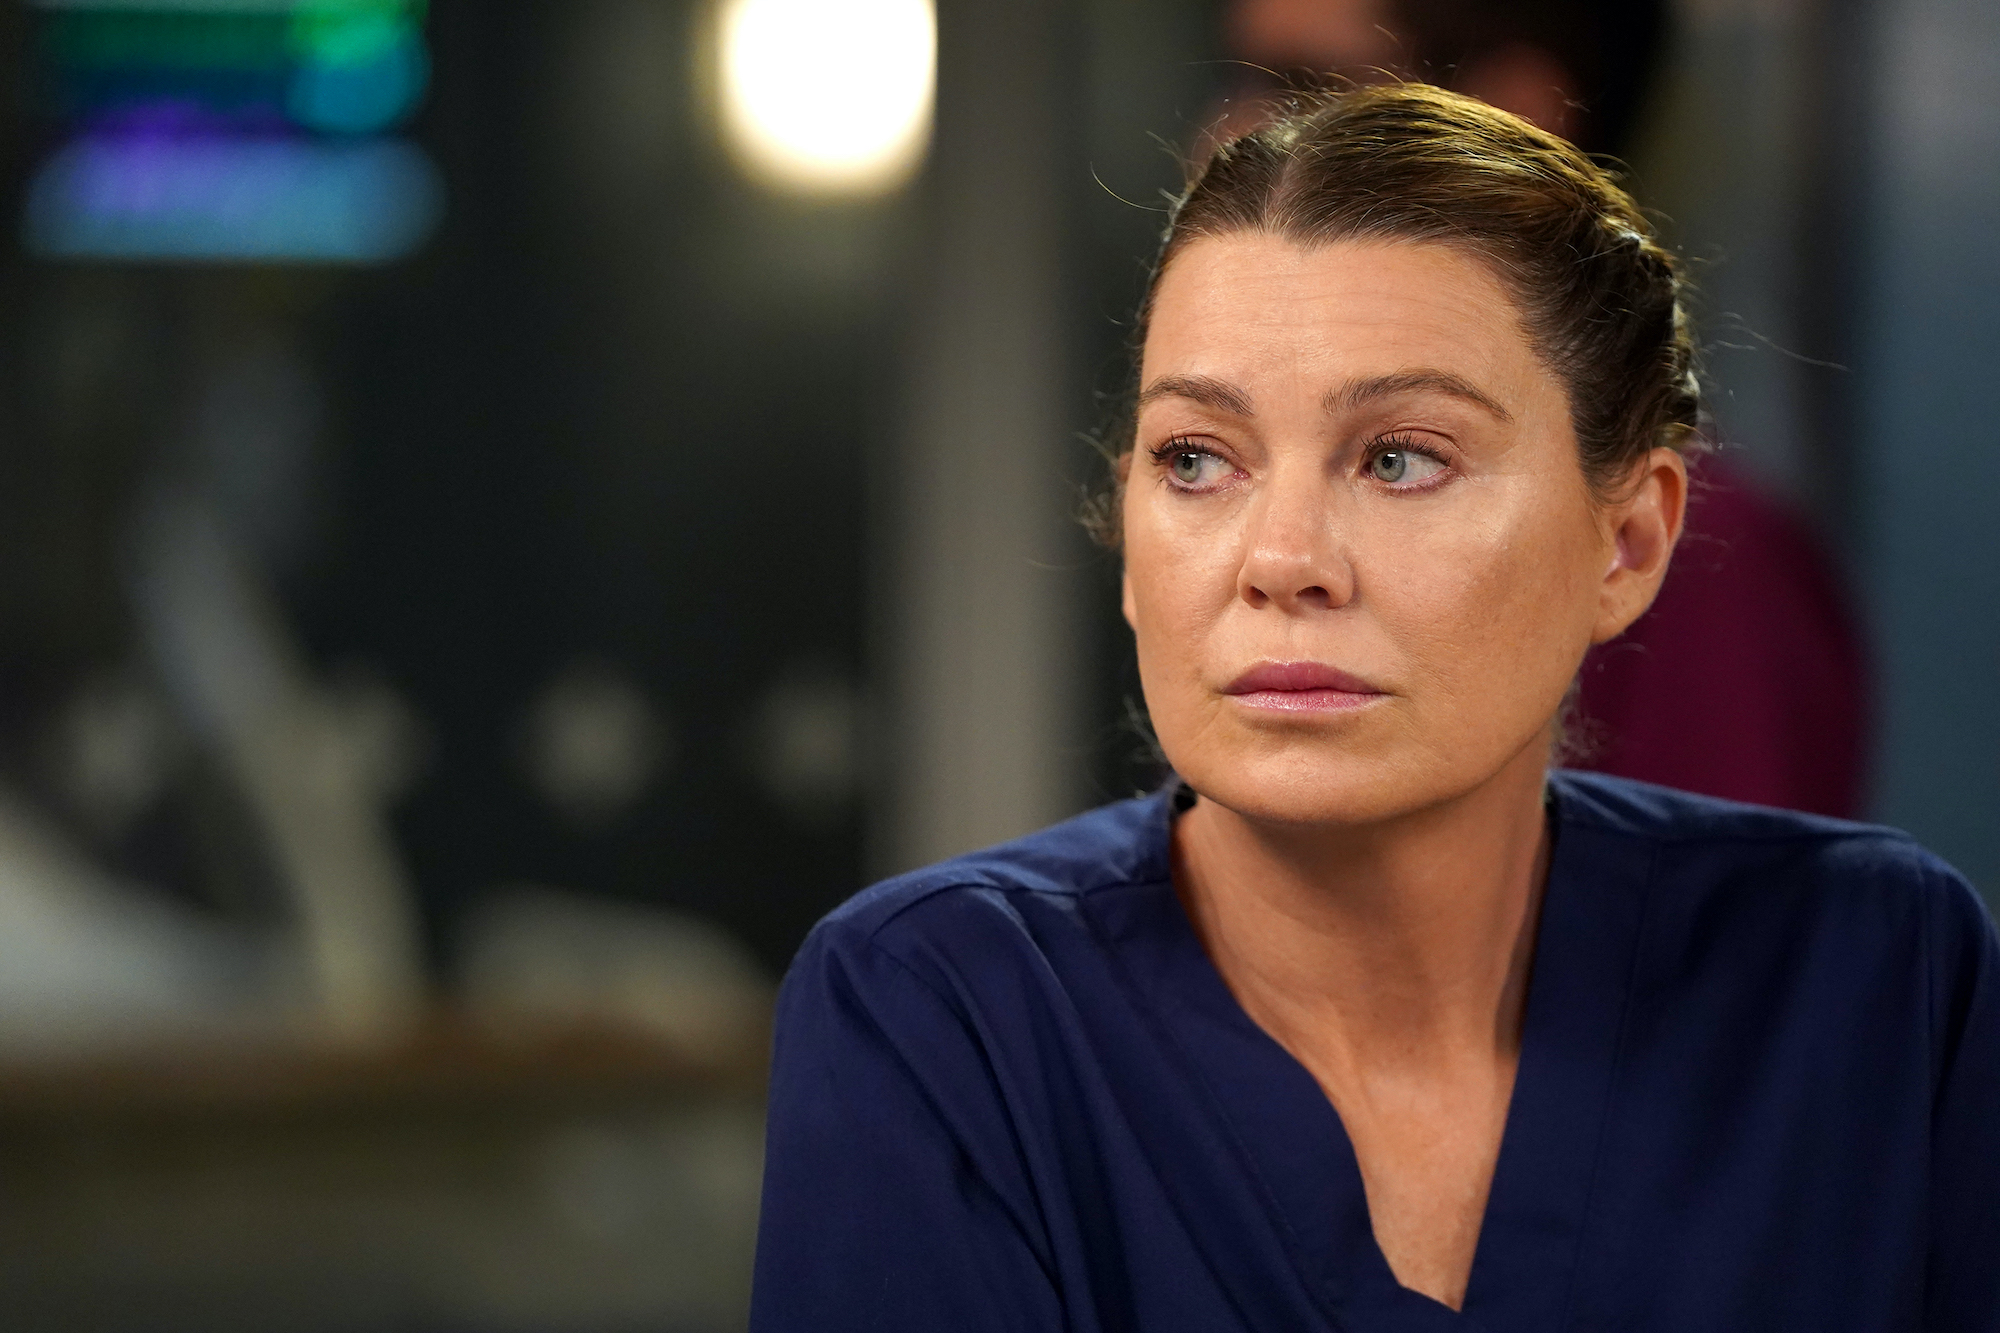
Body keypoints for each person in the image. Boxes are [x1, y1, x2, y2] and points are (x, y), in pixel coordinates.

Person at [750, 86, 1999, 1331]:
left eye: (1400, 458)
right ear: (1129, 544)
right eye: (1197, 459)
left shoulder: (1870, 977)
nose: (1281, 558)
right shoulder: (943, 1010)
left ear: (1625, 544)